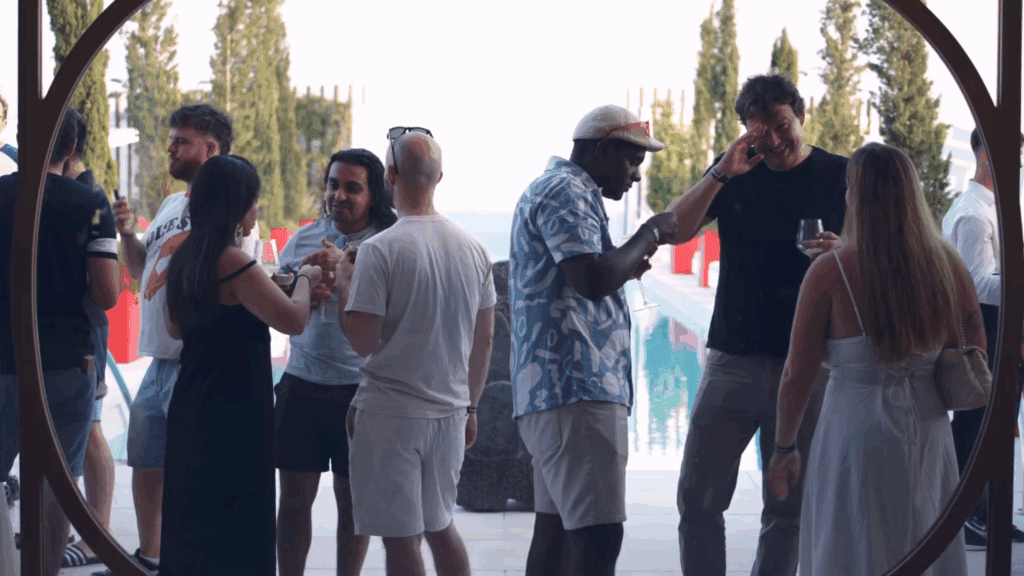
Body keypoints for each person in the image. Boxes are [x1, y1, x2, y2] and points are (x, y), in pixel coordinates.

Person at [663, 74, 847, 576]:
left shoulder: (841, 175)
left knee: (788, 508)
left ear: (801, 116)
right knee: (698, 498)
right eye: (760, 134)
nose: (776, 141)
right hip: (733, 359)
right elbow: (675, 232)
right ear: (747, 132)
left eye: (783, 126)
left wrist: (846, 253)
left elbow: (885, 259)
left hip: (810, 365)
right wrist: (720, 174)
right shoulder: (736, 173)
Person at [768, 142, 971, 575]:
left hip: (856, 432)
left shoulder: (830, 271)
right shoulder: (948, 266)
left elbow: (795, 374)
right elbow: (970, 352)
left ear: (855, 195)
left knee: (854, 544)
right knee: (924, 536)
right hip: (928, 427)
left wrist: (784, 447)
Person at [508, 104, 677, 576]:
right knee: (599, 534)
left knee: (557, 531)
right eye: (631, 162)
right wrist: (650, 233)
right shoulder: (567, 191)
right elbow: (592, 278)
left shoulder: (553, 187)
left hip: (556, 392)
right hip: (577, 389)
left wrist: (621, 265)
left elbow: (589, 275)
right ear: (602, 151)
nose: (636, 177)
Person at [105, 103, 258, 574]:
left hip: (199, 364)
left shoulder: (231, 211)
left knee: (195, 474)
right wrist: (128, 233)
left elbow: (240, 287)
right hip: (158, 363)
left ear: (210, 150)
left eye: (181, 140)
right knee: (146, 463)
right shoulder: (173, 205)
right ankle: (150, 556)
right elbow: (137, 269)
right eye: (171, 139)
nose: (170, 148)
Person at [336, 129, 494, 576]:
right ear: (439, 177)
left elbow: (363, 341)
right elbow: (483, 341)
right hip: (449, 415)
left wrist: (343, 289)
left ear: (389, 175)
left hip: (390, 416)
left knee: (401, 539)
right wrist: (472, 407)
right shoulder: (473, 249)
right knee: (441, 527)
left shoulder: (381, 250)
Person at [161, 154, 323, 575]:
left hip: (193, 403)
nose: (256, 211)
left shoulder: (185, 257)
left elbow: (176, 328)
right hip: (235, 412)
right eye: (253, 202)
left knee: (194, 525)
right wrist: (305, 278)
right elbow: (294, 320)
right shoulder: (233, 262)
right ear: (234, 207)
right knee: (237, 527)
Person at [0, 107, 119, 576]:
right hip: (66, 360)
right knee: (55, 483)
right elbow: (107, 293)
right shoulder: (88, 203)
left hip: (0, 358)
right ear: (71, 149)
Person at [273, 148, 397, 576]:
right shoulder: (305, 238)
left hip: (361, 391)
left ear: (373, 194)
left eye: (351, 187)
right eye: (331, 184)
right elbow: (278, 297)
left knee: (353, 501)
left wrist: (351, 282)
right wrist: (303, 280)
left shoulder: (389, 242)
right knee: (292, 500)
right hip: (301, 384)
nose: (337, 195)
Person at [941, 127, 1024, 547]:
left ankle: (985, 510)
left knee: (990, 427)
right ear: (988, 156)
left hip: (999, 334)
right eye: (1016, 158)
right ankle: (967, 513)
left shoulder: (992, 210)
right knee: (976, 426)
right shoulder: (973, 214)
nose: (1022, 167)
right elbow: (975, 286)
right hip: (984, 334)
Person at [54, 109, 117, 570]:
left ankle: (96, 533)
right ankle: (74, 530)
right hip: (76, 339)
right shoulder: (86, 200)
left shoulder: (90, 198)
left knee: (90, 433)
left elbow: (107, 292)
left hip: (83, 336)